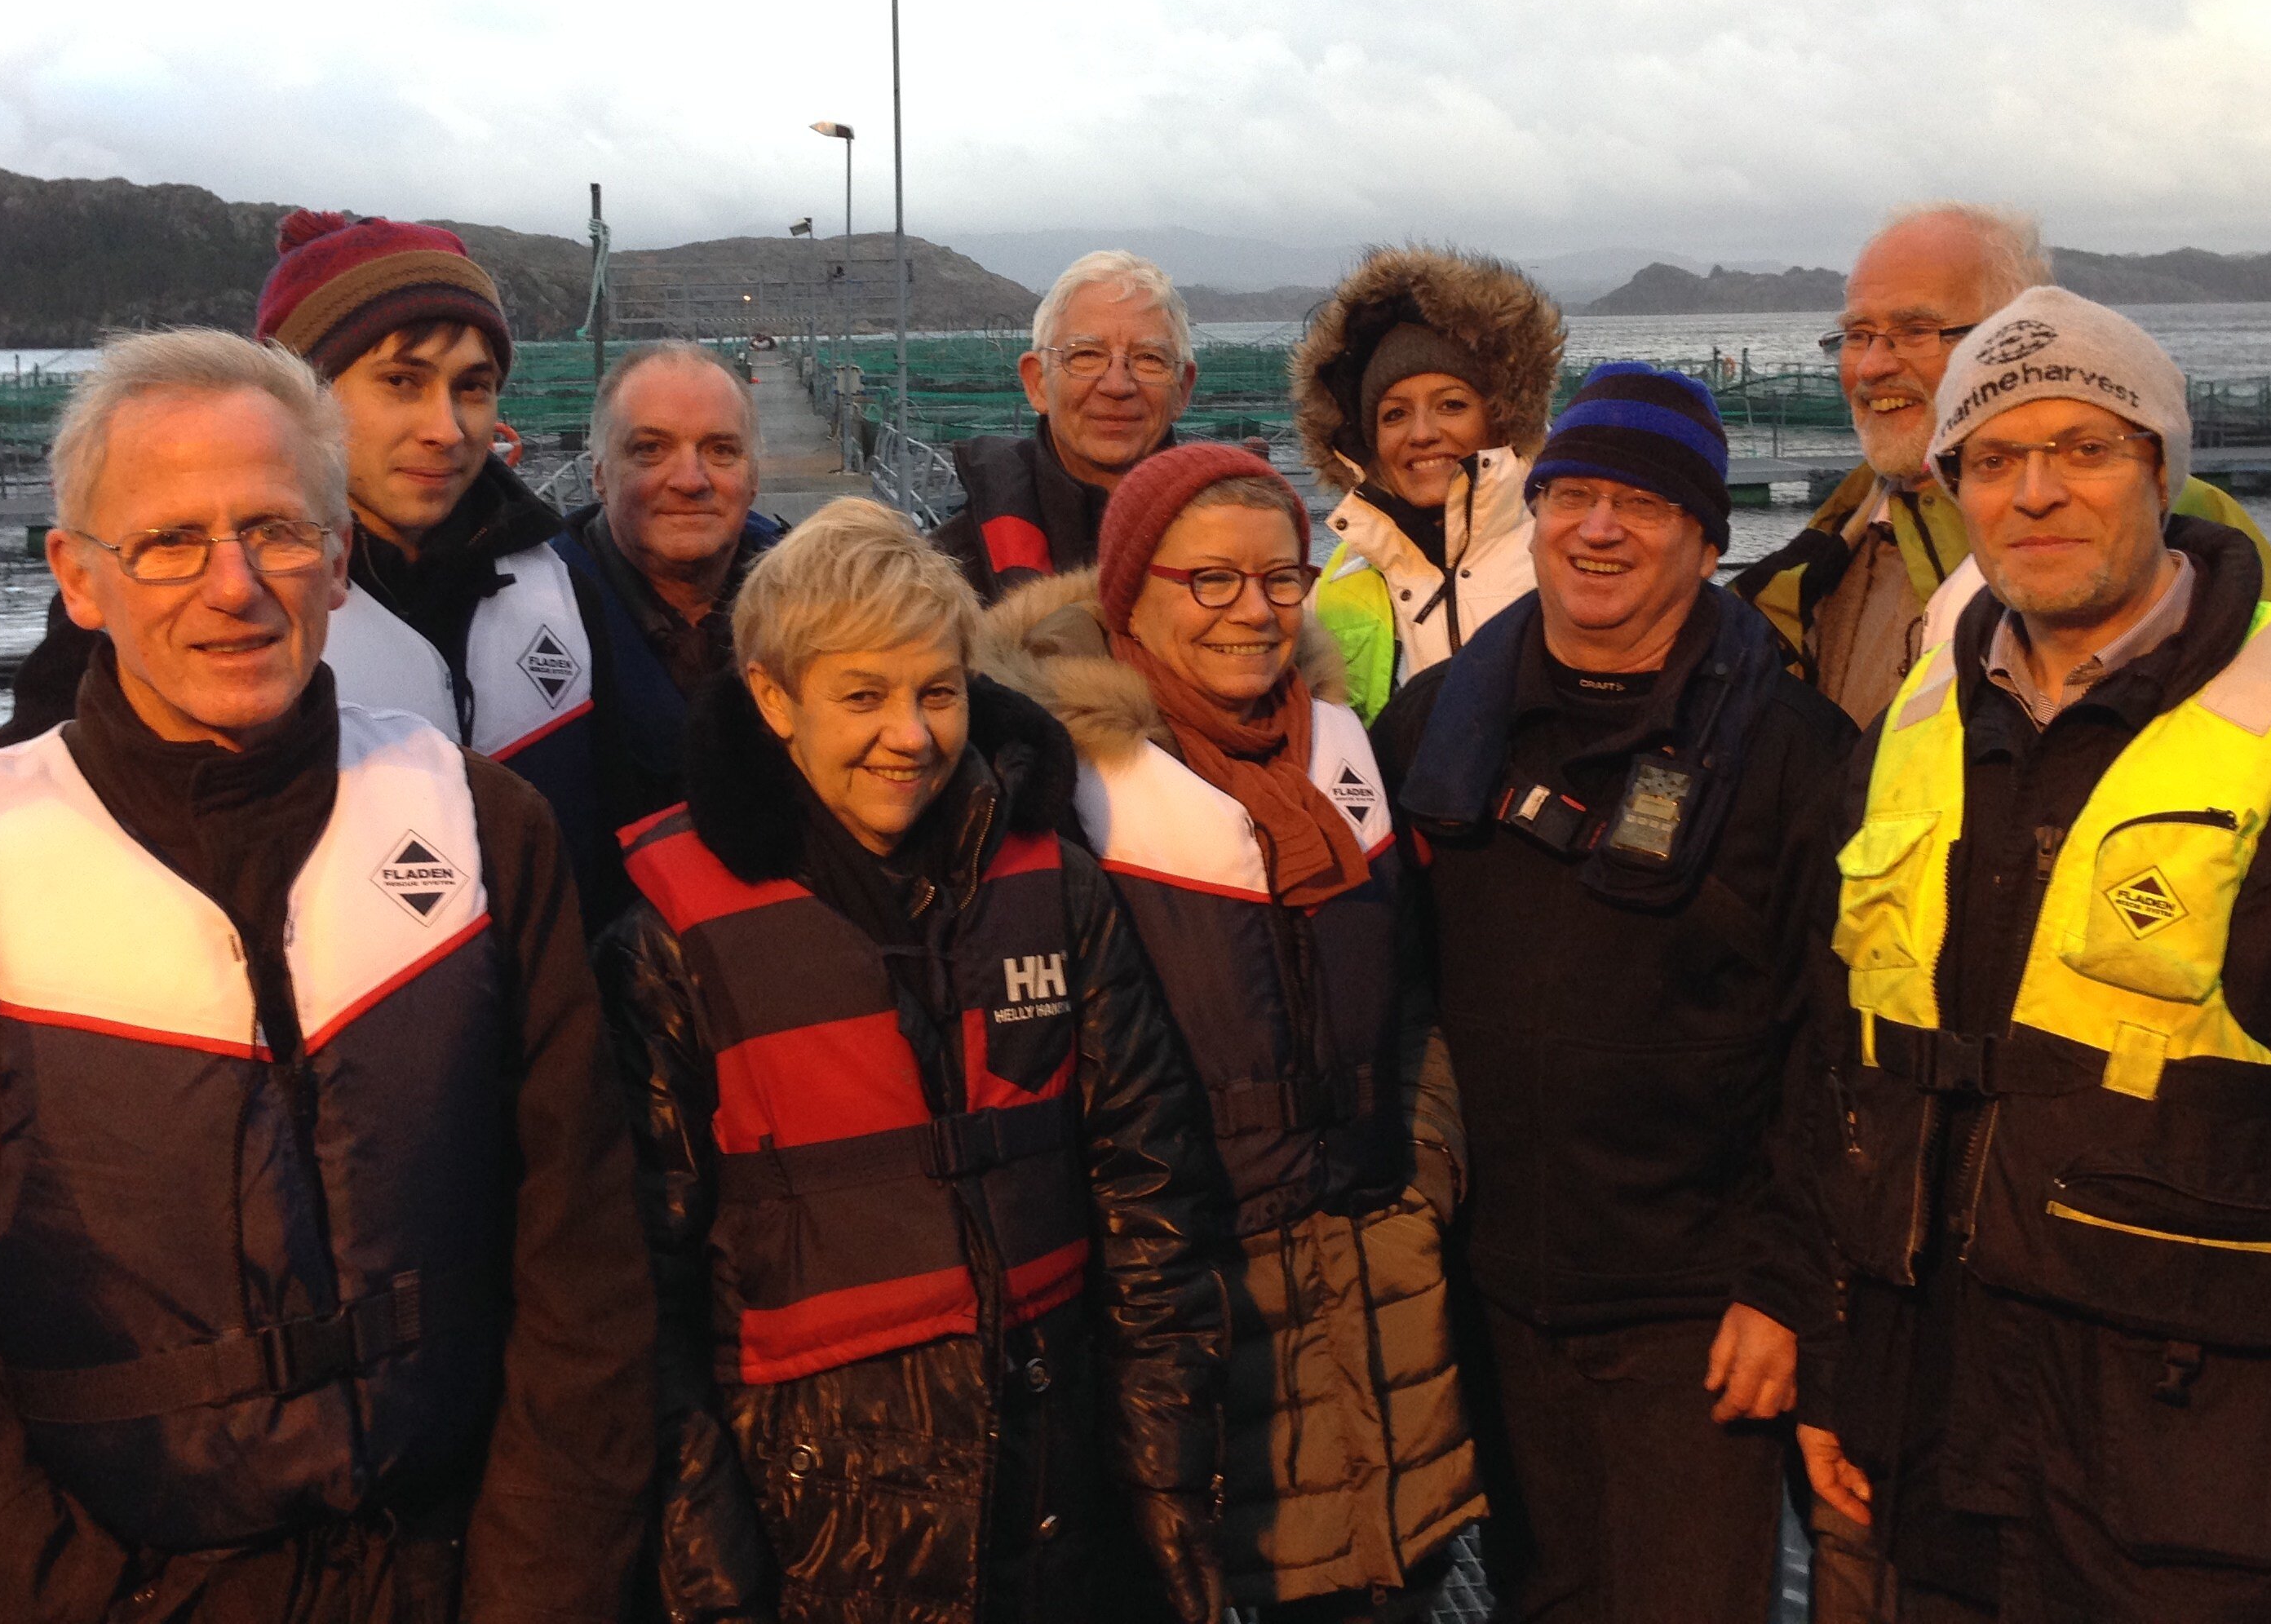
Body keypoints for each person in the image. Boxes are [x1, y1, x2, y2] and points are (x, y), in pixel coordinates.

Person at [0, 330, 653, 1623]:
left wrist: (536, 1587)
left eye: (278, 531)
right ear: (78, 579)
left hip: (475, 1570)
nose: (235, 586)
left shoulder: (487, 833)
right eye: (169, 542)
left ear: (338, 560)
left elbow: (586, 1260)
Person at [1798, 289, 2271, 1622]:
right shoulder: (1921, 718)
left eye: (2084, 446)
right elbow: (1847, 1074)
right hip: (1932, 1441)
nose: (2034, 491)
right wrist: (1837, 1369)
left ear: (2160, 468)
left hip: (2191, 1475)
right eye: (1992, 457)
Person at [602, 497, 1229, 1622]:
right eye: (862, 696)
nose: (914, 735)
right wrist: (706, 1561)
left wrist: (1168, 1477)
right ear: (772, 699)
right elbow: (641, 1289)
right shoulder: (666, 943)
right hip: (808, 1522)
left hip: (1058, 1485)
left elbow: (1153, 1189)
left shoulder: (1054, 886)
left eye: (938, 693)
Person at [1378, 364, 1857, 1624]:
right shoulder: (1434, 726)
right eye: (1571, 495)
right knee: (1542, 1600)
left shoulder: (1797, 755)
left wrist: (1781, 1286)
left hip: (1695, 1311)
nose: (1598, 528)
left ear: (1707, 539)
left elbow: (1835, 1049)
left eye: (1641, 505)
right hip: (1492, 1289)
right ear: (1528, 518)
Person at [980, 443, 1484, 1618]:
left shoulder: (1335, 743)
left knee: (1385, 1587)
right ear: (1129, 593)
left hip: (1376, 1277)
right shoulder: (1059, 783)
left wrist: (1427, 1165)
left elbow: (1415, 992)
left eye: (1279, 580)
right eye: (1209, 580)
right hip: (1190, 1308)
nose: (1249, 612)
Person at [0, 210, 631, 923]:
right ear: (302, 403)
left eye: (473, 387)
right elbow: (37, 864)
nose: (446, 429)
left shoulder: (560, 583)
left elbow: (621, 829)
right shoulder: (154, 616)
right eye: (401, 382)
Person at [1733, 204, 2271, 728]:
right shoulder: (1845, 530)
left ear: (2015, 336)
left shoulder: (2177, 519)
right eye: (1858, 335)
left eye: (1915, 331)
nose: (1873, 366)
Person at [546, 340, 782, 929]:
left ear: (754, 478)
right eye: (650, 449)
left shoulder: (824, 604)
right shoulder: (527, 623)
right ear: (599, 474)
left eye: (721, 450)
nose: (691, 479)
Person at [1292, 245, 1566, 722]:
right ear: (1369, 442)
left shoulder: (1562, 553)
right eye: (1395, 414)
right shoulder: (1340, 583)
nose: (1421, 434)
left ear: (1501, 417)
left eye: (1452, 405)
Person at [930, 250, 1196, 597]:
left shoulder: (1241, 549)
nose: (1117, 386)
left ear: (1182, 390)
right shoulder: (947, 575)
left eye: (1149, 359)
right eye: (1086, 356)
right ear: (1037, 383)